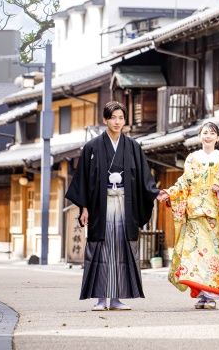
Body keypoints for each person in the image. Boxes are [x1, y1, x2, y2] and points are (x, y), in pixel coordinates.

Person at [66, 101, 159, 311]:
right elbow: (83, 180)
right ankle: (101, 298)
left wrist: (156, 192)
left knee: (121, 248)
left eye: (121, 118)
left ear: (125, 121)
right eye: (113, 117)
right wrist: (84, 208)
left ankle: (116, 299)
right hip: (100, 205)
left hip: (125, 206)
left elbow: (145, 178)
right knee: (101, 249)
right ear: (104, 120)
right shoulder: (91, 147)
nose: (117, 122)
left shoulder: (133, 147)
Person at [156, 122, 219, 310]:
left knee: (213, 255)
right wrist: (170, 193)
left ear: (218, 138)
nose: (208, 136)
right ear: (199, 136)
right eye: (205, 133)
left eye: (212, 133)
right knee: (194, 255)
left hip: (214, 214)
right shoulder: (192, 159)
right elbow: (183, 183)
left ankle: (211, 295)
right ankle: (202, 294)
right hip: (194, 213)